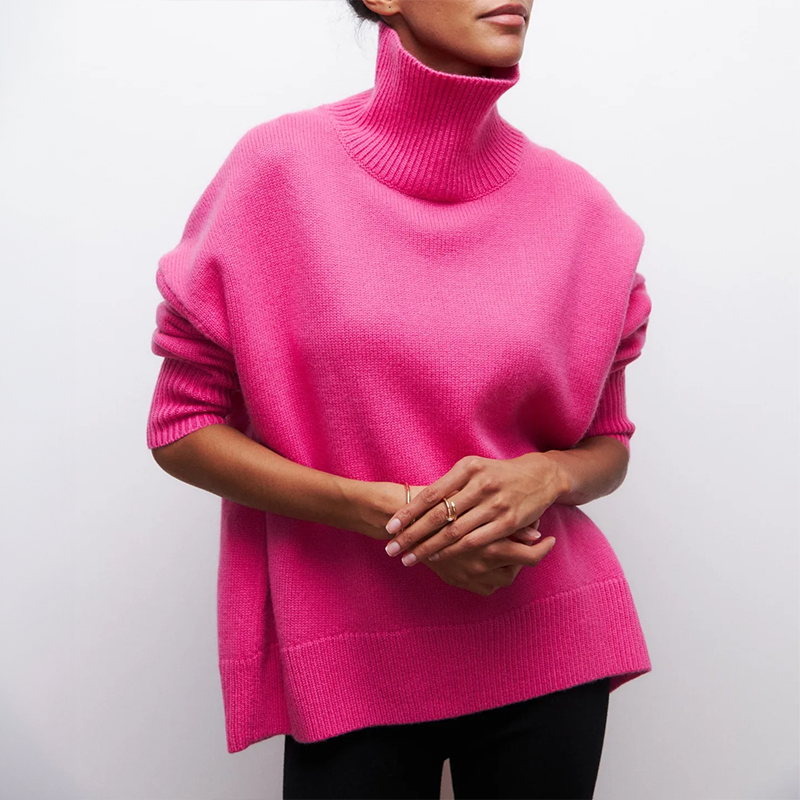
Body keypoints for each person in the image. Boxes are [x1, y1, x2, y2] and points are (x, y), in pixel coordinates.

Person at [146, 0, 653, 797]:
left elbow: (609, 444)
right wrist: (389, 515)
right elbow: (181, 426)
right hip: (349, 649)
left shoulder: (583, 211)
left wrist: (549, 476)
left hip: (546, 642)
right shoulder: (279, 171)